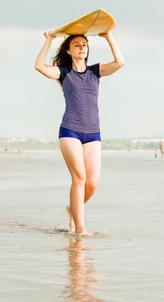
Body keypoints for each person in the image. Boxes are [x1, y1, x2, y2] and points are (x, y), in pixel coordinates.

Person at [35, 29, 125, 235]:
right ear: (68, 50)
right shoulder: (63, 72)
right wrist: (49, 39)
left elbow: (120, 62)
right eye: (76, 45)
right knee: (79, 179)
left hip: (93, 132)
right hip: (70, 130)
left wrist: (108, 37)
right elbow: (39, 66)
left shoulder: (95, 71)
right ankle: (80, 228)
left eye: (84, 45)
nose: (81, 48)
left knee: (92, 183)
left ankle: (72, 209)